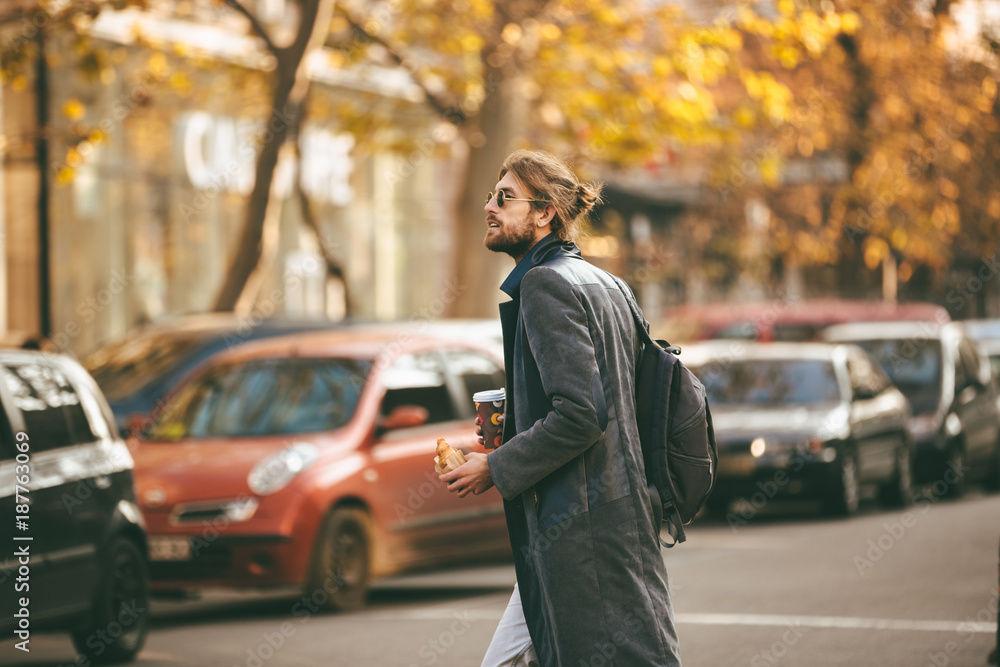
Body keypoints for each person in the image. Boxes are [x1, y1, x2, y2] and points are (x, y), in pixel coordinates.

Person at [439, 149, 682, 667]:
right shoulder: (608, 283)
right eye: (490, 195)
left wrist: (496, 467)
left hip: (581, 530)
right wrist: (517, 417)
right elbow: (613, 398)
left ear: (544, 212)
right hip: (613, 515)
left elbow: (581, 414)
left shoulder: (545, 284)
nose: (489, 206)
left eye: (504, 197)